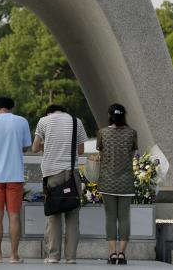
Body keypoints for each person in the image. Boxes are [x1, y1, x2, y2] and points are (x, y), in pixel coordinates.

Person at [32, 104, 87, 264]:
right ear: (65, 111)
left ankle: (53, 256)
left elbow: (35, 147)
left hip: (52, 174)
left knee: (54, 215)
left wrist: (46, 144)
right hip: (72, 173)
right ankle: (71, 257)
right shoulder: (77, 121)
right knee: (73, 215)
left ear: (49, 112)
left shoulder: (44, 121)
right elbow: (81, 150)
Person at [0, 97, 32, 264]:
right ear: (13, 107)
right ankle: (14, 255)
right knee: (14, 216)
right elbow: (25, 147)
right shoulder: (22, 122)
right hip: (15, 175)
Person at [96, 103, 138, 265]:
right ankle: (122, 254)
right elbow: (132, 155)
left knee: (111, 217)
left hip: (107, 181)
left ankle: (112, 253)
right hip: (126, 182)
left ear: (110, 116)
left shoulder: (102, 133)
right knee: (124, 217)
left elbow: (101, 153)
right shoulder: (132, 133)